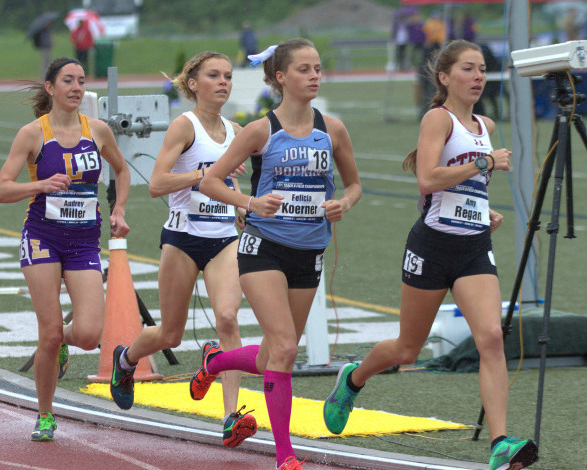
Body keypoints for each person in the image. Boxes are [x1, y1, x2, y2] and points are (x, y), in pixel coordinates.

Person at [321, 40, 539, 470]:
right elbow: (427, 180)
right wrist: (485, 164)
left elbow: (465, 188)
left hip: (474, 246)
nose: (478, 77)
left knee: (492, 338)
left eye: (482, 69)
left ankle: (499, 442)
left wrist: (483, 209)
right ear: (444, 77)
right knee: (407, 349)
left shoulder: (485, 124)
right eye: (468, 69)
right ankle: (354, 377)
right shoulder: (436, 119)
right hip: (432, 247)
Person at [190, 38, 362, 470]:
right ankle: (285, 456)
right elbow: (211, 181)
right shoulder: (261, 130)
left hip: (310, 251)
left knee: (272, 354)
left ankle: (215, 362)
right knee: (285, 346)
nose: (315, 76)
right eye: (304, 69)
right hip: (263, 249)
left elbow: (355, 185)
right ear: (281, 77)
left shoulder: (333, 128)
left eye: (318, 68)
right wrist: (249, 202)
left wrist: (344, 203)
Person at [109, 51, 258, 448]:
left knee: (228, 318)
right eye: (214, 75)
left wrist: (238, 202)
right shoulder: (184, 126)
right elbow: (157, 183)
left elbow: (228, 181)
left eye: (227, 75)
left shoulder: (236, 130)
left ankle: (230, 417)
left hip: (224, 238)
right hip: (182, 239)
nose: (223, 82)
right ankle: (125, 360)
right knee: (171, 334)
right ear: (194, 84)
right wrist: (203, 175)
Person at [0, 57, 130, 442]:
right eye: (67, 81)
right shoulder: (33, 134)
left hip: (84, 241)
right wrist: (40, 185)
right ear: (50, 88)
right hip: (42, 238)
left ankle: (59, 346)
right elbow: (0, 190)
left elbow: (121, 169)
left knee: (87, 333)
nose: (76, 88)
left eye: (81, 82)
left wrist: (118, 209)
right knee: (48, 333)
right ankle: (46, 414)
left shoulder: (98, 131)